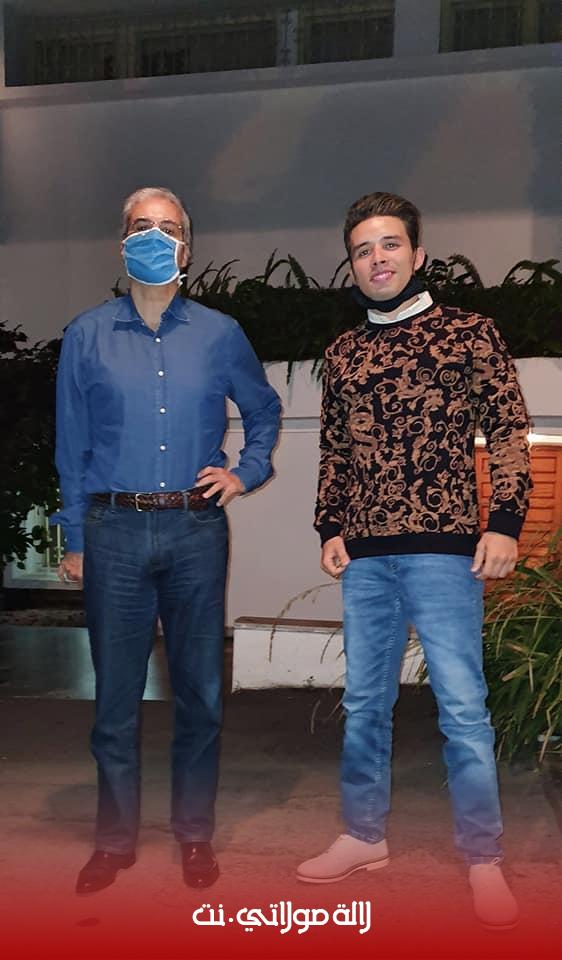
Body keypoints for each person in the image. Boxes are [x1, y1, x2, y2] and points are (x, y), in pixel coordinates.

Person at [297, 192, 532, 930]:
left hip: (444, 550)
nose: (378, 259)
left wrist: (504, 522)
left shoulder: (469, 333)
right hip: (365, 557)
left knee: (462, 707)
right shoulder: (342, 352)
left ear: (417, 254)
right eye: (363, 250)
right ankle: (363, 836)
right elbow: (335, 449)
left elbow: (509, 427)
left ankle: (484, 858)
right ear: (352, 264)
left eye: (390, 244)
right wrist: (330, 525)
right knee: (365, 703)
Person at [53, 186, 281, 894]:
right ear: (121, 240)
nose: (155, 236)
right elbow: (71, 445)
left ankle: (194, 835)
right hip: (113, 530)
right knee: (115, 698)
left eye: (169, 227)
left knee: (200, 693)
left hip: (194, 528)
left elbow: (264, 410)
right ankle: (114, 840)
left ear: (188, 246)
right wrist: (74, 536)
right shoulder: (86, 335)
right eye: (141, 226)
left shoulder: (220, 334)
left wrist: (244, 472)